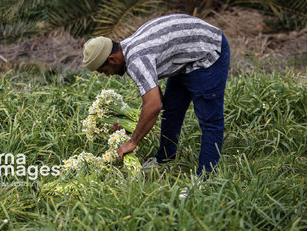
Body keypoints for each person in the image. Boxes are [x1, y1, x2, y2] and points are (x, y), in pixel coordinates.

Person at [82, 14, 230, 176]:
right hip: (185, 56)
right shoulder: (128, 48)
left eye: (104, 71)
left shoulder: (136, 60)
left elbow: (153, 105)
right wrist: (132, 125)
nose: (107, 75)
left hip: (207, 51)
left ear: (112, 59)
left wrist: (133, 142)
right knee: (171, 111)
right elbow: (155, 99)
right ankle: (165, 159)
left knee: (210, 120)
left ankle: (206, 178)